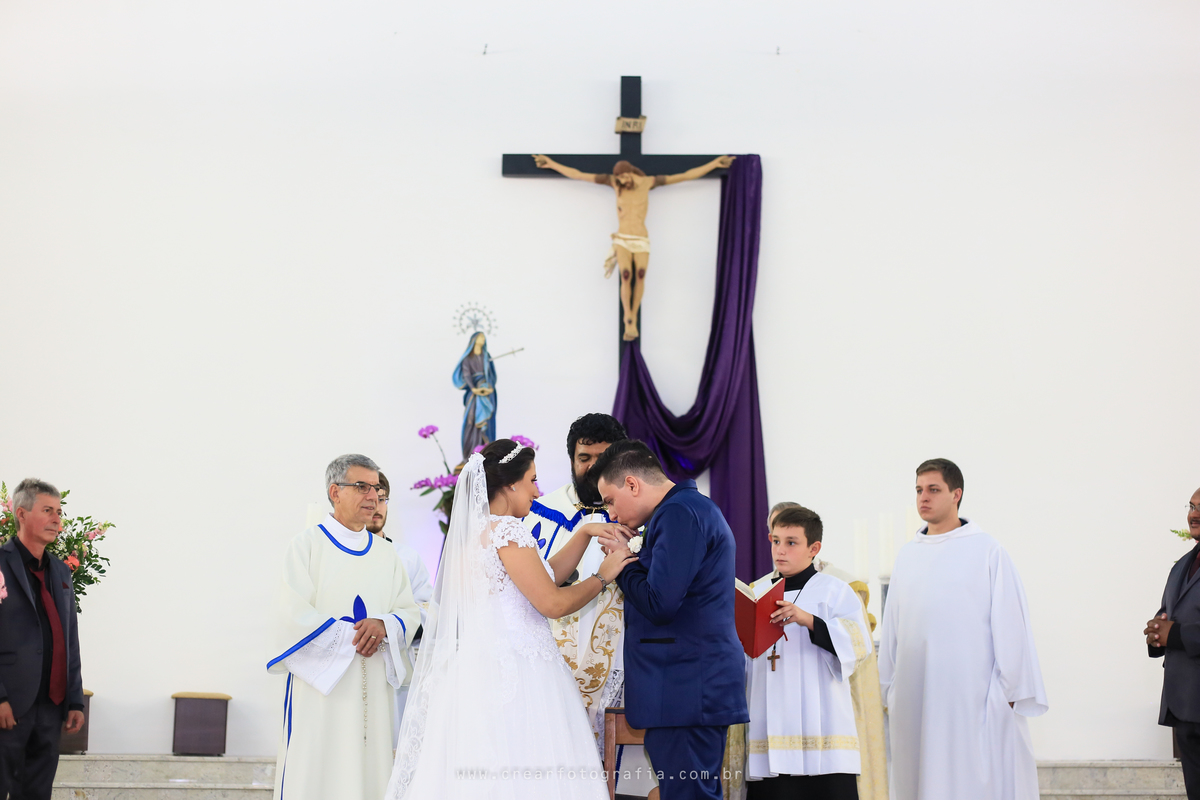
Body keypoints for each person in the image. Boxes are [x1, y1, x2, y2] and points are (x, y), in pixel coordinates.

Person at [386, 439, 638, 799]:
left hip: (476, 669)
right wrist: (603, 575)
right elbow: (552, 602)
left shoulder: (473, 536)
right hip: (521, 672)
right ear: (509, 484)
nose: (538, 490)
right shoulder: (509, 531)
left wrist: (583, 533)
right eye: (532, 480)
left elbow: (544, 576)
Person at [878, 458, 1048, 800]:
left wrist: (1007, 692)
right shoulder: (907, 556)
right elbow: (893, 627)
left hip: (973, 698)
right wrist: (890, 689)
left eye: (933, 489)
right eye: (919, 490)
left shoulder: (987, 551)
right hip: (916, 696)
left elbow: (1011, 624)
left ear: (956, 494)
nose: (923, 497)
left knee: (971, 781)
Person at [593, 440, 749, 800]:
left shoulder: (678, 513)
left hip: (686, 686)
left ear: (632, 484)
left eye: (611, 501)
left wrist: (622, 563)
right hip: (688, 687)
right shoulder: (687, 509)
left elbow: (660, 602)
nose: (612, 514)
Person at [267, 455, 422, 800]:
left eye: (377, 489)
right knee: (317, 773)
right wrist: (349, 637)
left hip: (372, 691)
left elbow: (409, 611)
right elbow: (291, 615)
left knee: (368, 774)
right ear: (335, 492)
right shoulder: (306, 547)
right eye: (362, 487)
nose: (373, 496)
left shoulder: (387, 555)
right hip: (320, 690)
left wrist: (385, 625)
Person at [522, 414, 637, 749]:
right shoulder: (538, 513)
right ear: (572, 459)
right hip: (549, 666)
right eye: (584, 458)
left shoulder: (640, 515)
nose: (592, 467)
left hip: (620, 664)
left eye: (603, 457)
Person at [532, 154, 735, 341]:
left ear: (630, 172)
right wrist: (551, 164)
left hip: (641, 238)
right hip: (622, 238)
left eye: (624, 177)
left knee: (640, 274)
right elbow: (578, 174)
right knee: (626, 275)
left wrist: (714, 164)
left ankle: (634, 316)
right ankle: (628, 318)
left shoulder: (648, 182)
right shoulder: (613, 182)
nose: (622, 181)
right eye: (619, 178)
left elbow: (684, 175)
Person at [744, 506, 870, 800]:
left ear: (814, 549)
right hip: (768, 719)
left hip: (822, 726)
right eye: (776, 541)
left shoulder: (835, 591)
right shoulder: (757, 591)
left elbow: (857, 643)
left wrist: (808, 620)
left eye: (791, 542)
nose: (780, 550)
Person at [0, 479, 85, 800]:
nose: (56, 519)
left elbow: (69, 637)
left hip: (51, 705)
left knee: (37, 792)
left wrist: (74, 700)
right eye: (47, 510)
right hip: (9, 704)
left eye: (59, 512)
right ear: (21, 514)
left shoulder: (61, 572)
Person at [366, 471, 434, 746]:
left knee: (393, 744)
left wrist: (391, 624)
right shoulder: (336, 557)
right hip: (354, 664)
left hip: (396, 668)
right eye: (370, 500)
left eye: (382, 499)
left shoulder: (407, 558)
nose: (377, 507)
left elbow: (428, 611)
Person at [1146, 487, 1200, 797]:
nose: (1194, 514)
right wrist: (1157, 633)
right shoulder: (1181, 565)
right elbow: (1170, 611)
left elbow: (1177, 629)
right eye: (1191, 507)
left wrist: (1175, 634)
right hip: (1184, 706)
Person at [452, 331, 497, 462]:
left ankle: (488, 454)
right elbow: (466, 374)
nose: (483, 339)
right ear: (474, 340)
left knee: (487, 422)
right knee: (471, 422)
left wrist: (489, 387)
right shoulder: (468, 358)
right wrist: (474, 389)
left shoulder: (486, 356)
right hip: (474, 394)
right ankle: (470, 454)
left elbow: (491, 374)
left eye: (483, 337)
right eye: (480, 337)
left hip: (487, 393)